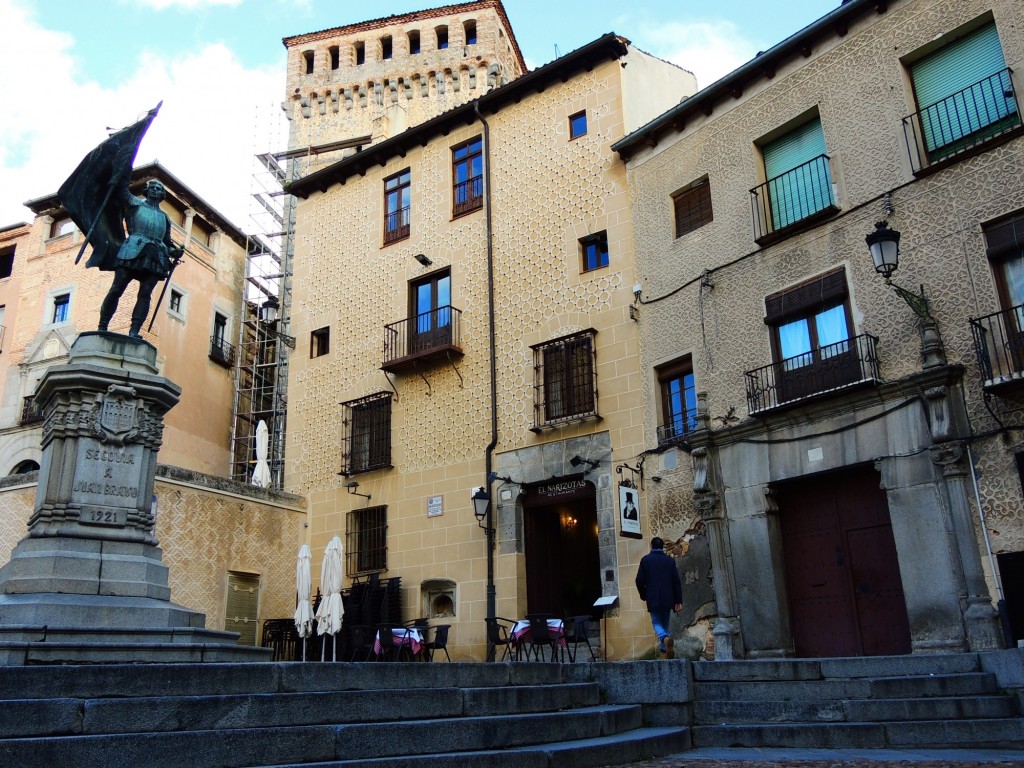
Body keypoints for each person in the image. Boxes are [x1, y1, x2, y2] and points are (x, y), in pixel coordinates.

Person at [97, 179, 182, 338]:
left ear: (162, 194)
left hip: (156, 255)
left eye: (159, 188)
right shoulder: (134, 203)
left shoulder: (165, 217)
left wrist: (174, 252)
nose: (156, 190)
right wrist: (122, 169)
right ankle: (102, 325)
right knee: (116, 289)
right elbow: (121, 190)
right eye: (153, 187)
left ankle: (134, 330)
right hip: (132, 250)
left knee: (145, 293)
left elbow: (167, 242)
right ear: (147, 190)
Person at [635, 536, 682, 658]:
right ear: (662, 547)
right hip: (668, 598)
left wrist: (643, 594)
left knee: (656, 622)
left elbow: (639, 580)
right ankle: (664, 652)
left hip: (653, 597)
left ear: (651, 546)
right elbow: (676, 581)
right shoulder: (670, 561)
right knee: (665, 622)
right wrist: (678, 601)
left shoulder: (645, 560)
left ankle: (664, 638)